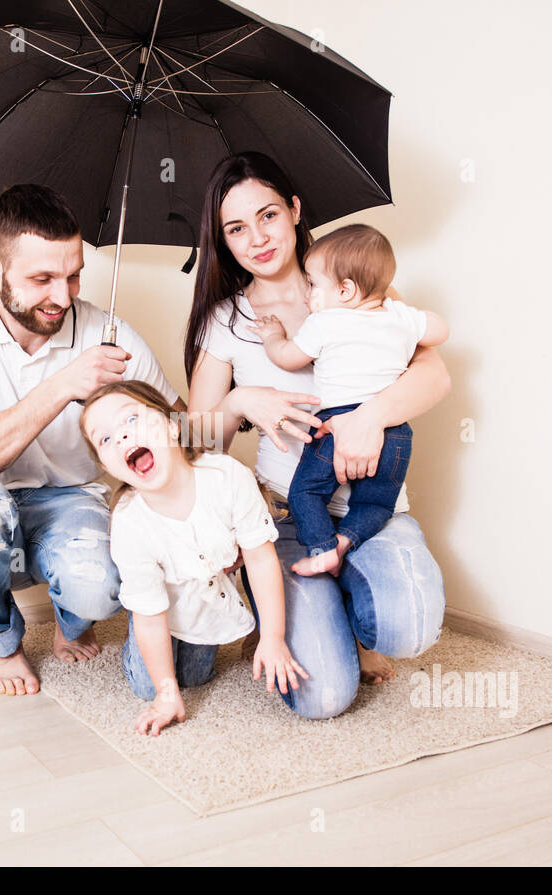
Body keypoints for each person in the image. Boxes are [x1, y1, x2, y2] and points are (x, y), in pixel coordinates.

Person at [182, 152, 451, 717]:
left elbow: (436, 374)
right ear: (222, 240)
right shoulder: (228, 321)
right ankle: (305, 602)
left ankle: (346, 598)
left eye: (268, 215)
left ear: (295, 210)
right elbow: (199, 442)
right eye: (236, 228)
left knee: (409, 628)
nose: (257, 238)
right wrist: (238, 400)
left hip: (373, 506)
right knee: (324, 695)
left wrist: (368, 419)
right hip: (284, 514)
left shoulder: (355, 287)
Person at [0, 183, 183, 697]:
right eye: (42, 279)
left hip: (73, 501)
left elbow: (182, 430)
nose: (63, 297)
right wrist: (64, 385)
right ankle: (2, 644)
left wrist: (236, 410)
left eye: (73, 275)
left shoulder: (108, 333)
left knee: (100, 588)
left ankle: (72, 620)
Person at [79, 381, 308, 736]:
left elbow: (261, 561)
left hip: (207, 595)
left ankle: (187, 646)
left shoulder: (226, 476)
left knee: (197, 676)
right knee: (149, 685)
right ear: (107, 464)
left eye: (131, 420)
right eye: (105, 439)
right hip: (155, 609)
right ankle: (135, 642)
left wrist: (273, 637)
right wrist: (166, 693)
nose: (122, 437)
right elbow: (150, 616)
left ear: (173, 425)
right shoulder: (129, 522)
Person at [250, 223, 450, 577]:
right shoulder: (399, 315)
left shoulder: (325, 322)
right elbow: (440, 330)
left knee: (306, 492)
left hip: (335, 424)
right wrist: (404, 316)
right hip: (396, 432)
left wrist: (273, 335)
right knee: (375, 501)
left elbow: (286, 357)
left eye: (313, 284)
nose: (308, 293)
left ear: (345, 290)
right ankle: (346, 540)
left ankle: (324, 548)